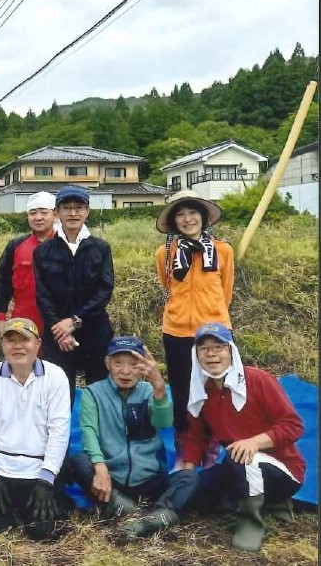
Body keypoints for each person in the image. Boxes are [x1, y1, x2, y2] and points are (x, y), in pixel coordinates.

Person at [182, 323, 305, 552]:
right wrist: (188, 472)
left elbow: (294, 426)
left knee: (240, 457)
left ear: (230, 351)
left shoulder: (258, 380)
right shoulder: (202, 390)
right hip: (237, 465)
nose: (211, 354)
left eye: (218, 347)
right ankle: (272, 505)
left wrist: (254, 442)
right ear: (196, 354)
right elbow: (196, 436)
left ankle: (251, 522)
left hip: (283, 470)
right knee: (198, 495)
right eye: (204, 348)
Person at [69, 336, 198, 539]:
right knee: (78, 461)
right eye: (118, 363)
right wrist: (100, 466)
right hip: (112, 480)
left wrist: (159, 387)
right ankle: (141, 514)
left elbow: (164, 422)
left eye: (134, 364)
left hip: (149, 478)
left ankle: (145, 519)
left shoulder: (149, 392)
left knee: (188, 477)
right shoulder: (93, 393)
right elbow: (88, 431)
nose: (126, 371)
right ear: (107, 364)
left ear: (143, 366)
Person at [0, 318, 72, 540]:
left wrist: (47, 480)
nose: (17, 346)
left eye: (24, 340)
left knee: (42, 532)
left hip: (39, 471)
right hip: (2, 470)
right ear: (2, 345)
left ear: (37, 344)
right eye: (10, 340)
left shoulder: (56, 377)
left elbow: (59, 431)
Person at [155, 190, 233, 456]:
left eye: (192, 213)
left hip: (214, 330)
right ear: (174, 221)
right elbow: (167, 287)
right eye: (180, 214)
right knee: (180, 386)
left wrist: (213, 316)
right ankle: (184, 435)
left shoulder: (223, 250)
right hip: (176, 329)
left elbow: (226, 291)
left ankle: (213, 437)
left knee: (216, 385)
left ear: (203, 217)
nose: (187, 219)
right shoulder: (165, 253)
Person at [33, 185, 114, 405]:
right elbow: (42, 295)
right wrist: (60, 329)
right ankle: (58, 440)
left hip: (94, 331)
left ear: (87, 211)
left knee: (100, 393)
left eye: (78, 207)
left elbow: (105, 290)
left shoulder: (101, 248)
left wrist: (76, 320)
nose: (73, 213)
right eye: (66, 208)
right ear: (57, 212)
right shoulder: (43, 251)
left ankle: (101, 439)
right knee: (58, 397)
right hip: (57, 334)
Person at [0, 191, 56, 339]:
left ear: (55, 214)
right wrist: (0, 318)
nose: (38, 217)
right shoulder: (15, 246)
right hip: (23, 323)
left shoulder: (66, 246)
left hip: (57, 325)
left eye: (43, 212)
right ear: (27, 216)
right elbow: (3, 284)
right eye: (33, 213)